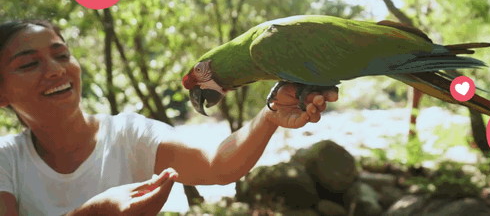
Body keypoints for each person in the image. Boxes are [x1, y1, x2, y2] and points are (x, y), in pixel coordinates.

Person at [0, 19, 339, 216]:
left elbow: (216, 165)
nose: (55, 70)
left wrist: (270, 115)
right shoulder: (6, 162)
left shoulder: (129, 134)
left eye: (61, 55)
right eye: (29, 64)